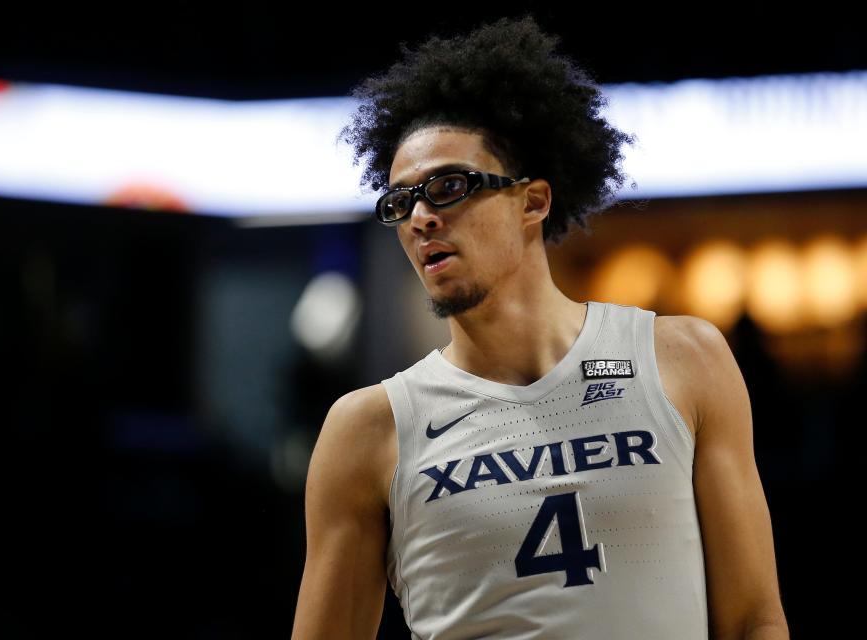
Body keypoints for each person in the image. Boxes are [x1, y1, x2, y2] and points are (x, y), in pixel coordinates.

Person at [292, 14, 789, 640]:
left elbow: (754, 619)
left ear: (532, 201)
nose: (420, 217)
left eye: (448, 186)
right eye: (401, 202)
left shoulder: (683, 359)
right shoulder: (369, 430)